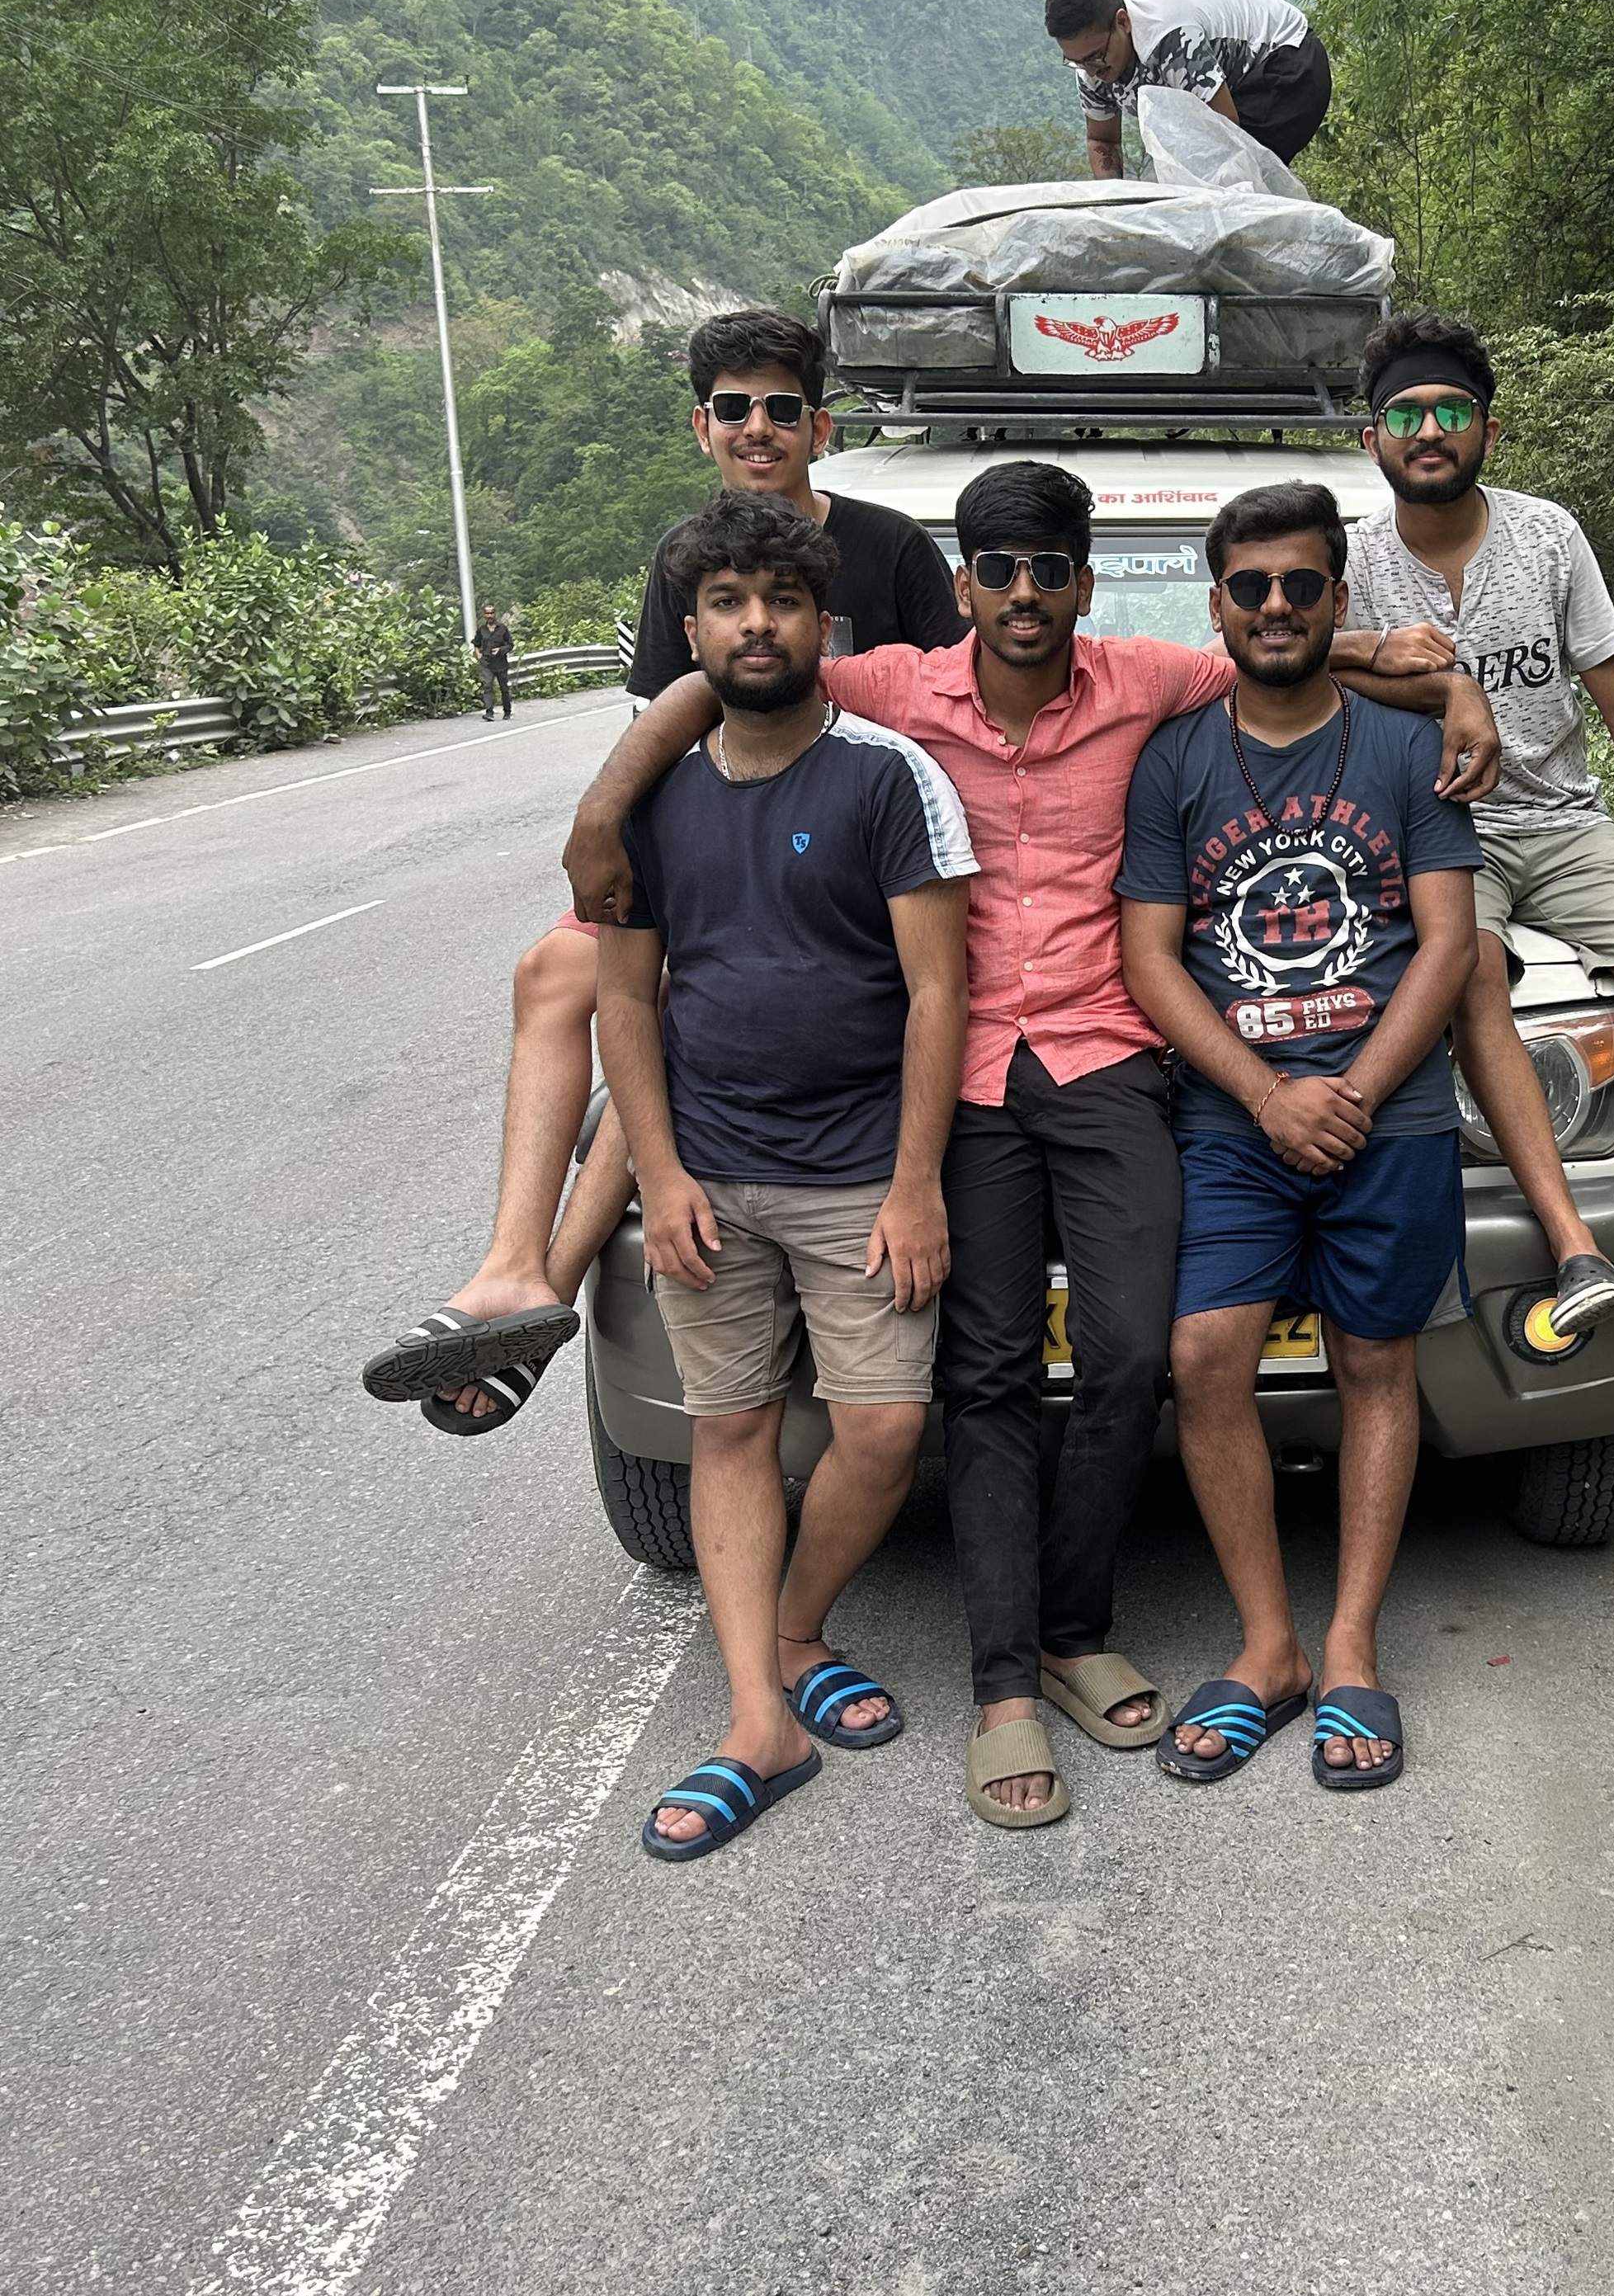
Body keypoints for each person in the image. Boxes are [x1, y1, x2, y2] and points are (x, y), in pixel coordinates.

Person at [564, 461, 1502, 1831]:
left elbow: (1287, 645)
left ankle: (1073, 1629)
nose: (1022, 594)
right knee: (988, 1369)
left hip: (1112, 1060)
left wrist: (1450, 686)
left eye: (1048, 569)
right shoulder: (891, 690)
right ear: (964, 588)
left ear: (1083, 583)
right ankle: (1007, 1683)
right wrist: (603, 808)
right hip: (961, 1086)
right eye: (996, 570)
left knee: (1133, 1353)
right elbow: (730, 676)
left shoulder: (1146, 680)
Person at [359, 310, 960, 1436]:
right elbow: (678, 708)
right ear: (703, 428)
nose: (759, 427)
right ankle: (509, 1270)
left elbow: (940, 704)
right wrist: (610, 820)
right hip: (708, 858)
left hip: (845, 865)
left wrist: (598, 804)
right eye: (734, 409)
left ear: (819, 423)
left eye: (782, 407)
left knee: (679, 1015)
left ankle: (545, 1288)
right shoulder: (685, 560)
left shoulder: (891, 547)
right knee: (556, 976)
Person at [597, 493, 975, 1865]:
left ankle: (802, 1623)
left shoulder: (886, 775)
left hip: (858, 1170)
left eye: (782, 603)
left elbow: (940, 991)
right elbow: (624, 1003)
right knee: (731, 1430)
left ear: (827, 623)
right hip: (713, 1170)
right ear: (690, 627)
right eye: (726, 604)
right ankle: (763, 1715)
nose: (756, 626)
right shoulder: (650, 801)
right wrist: (661, 1167)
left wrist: (915, 1183)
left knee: (880, 1433)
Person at [1118, 484, 1481, 1794]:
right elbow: (1151, 961)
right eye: (1250, 587)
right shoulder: (1174, 762)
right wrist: (1270, 1095)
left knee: (1376, 1363)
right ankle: (1265, 1646)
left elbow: (1446, 941)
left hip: (1389, 1114)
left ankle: (1350, 1647)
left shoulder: (1402, 751)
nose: (1276, 607)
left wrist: (1358, 1094)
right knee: (1205, 1356)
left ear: (1340, 602)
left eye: (1302, 586)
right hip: (1230, 1118)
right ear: (1216, 604)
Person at [1339, 309, 1614, 1359]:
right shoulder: (1350, 558)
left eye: (1451, 412)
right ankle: (1574, 1244)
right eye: (1406, 413)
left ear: (1486, 430)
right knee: (1467, 970)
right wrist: (1397, 654)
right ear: (1372, 436)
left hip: (1566, 825)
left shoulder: (1548, 536)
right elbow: (1270, 646)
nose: (1429, 431)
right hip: (1441, 830)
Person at [1044, 0, 1333, 178]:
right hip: (1235, 87)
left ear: (1123, 22)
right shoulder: (1089, 68)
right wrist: (1116, 205)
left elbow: (1223, 129)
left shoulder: (1171, 39)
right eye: (1076, 61)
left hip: (1288, 59)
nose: (1093, 70)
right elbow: (1103, 143)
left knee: (1233, 178)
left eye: (1097, 56)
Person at [474, 602, 514, 722]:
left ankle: (507, 711)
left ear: (495, 614)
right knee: (487, 686)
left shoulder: (502, 629)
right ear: (484, 615)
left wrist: (501, 650)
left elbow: (511, 645)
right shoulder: (481, 630)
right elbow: (476, 644)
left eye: (492, 613)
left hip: (501, 663)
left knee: (504, 688)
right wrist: (479, 656)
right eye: (487, 613)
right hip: (487, 663)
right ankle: (489, 712)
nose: (490, 615)